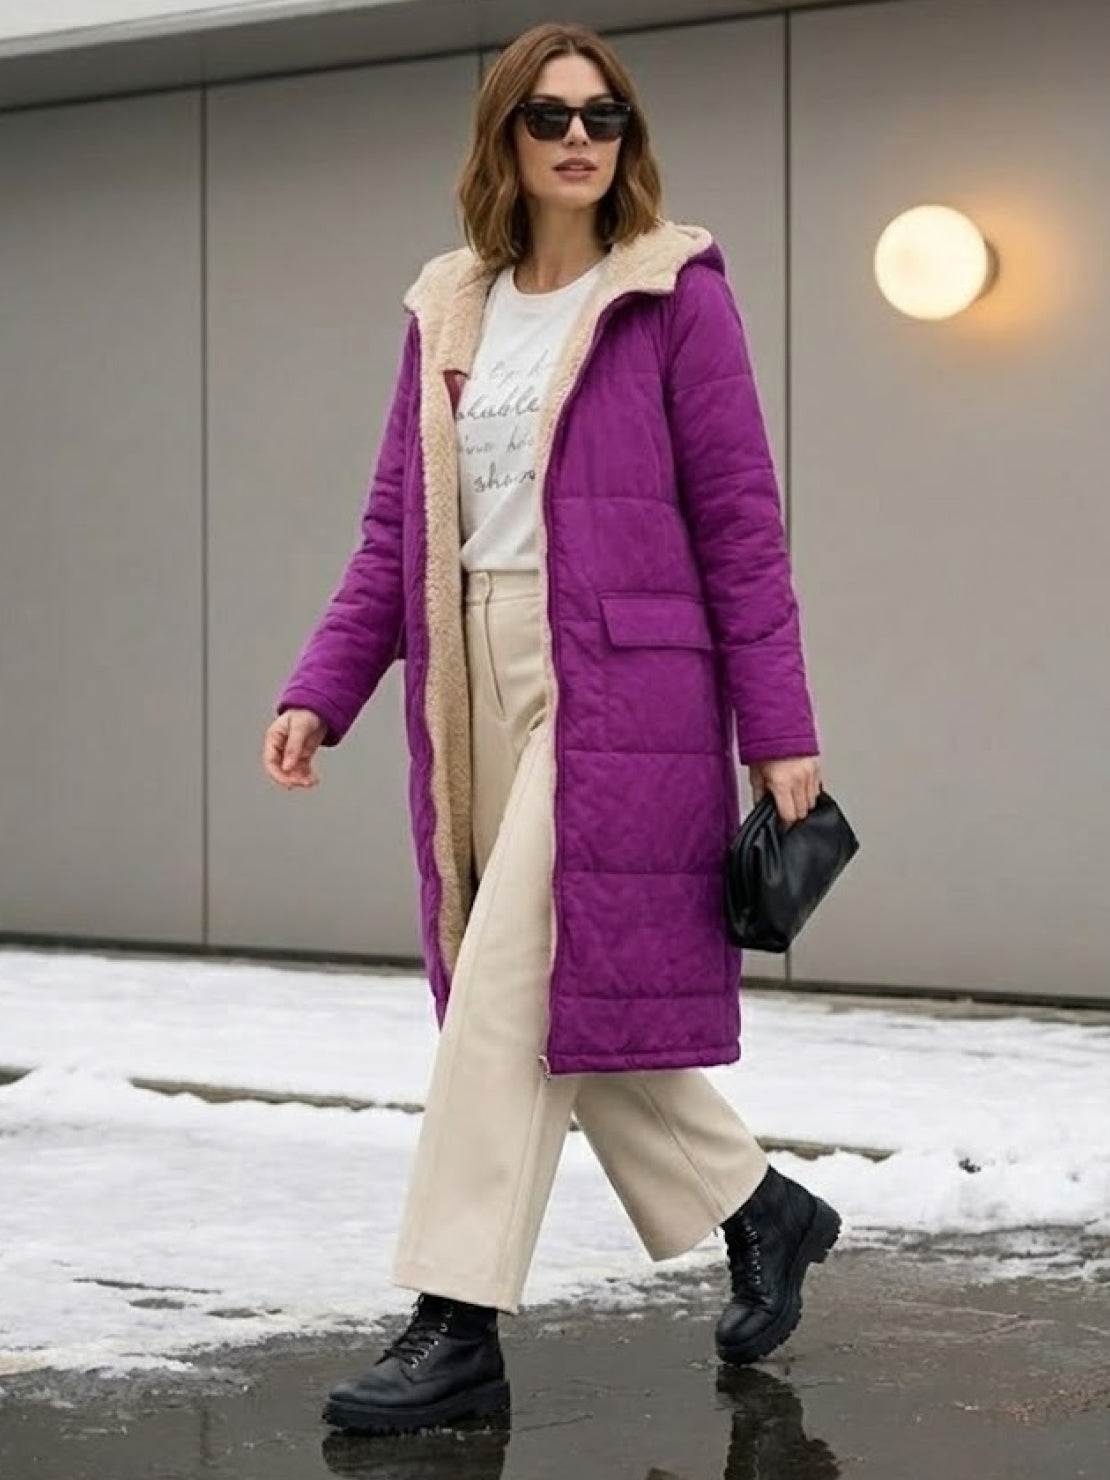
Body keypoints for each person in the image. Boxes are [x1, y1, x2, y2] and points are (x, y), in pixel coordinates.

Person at [262, 19, 841, 1439]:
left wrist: (777, 725)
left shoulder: (674, 296)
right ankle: (759, 1208)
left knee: (506, 990)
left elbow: (741, 526)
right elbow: (397, 532)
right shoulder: (448, 311)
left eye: (603, 116)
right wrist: (322, 688)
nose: (579, 138)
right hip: (474, 670)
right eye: (548, 115)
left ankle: (454, 1321)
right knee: (553, 993)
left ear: (626, 141)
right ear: (504, 141)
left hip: (622, 687)